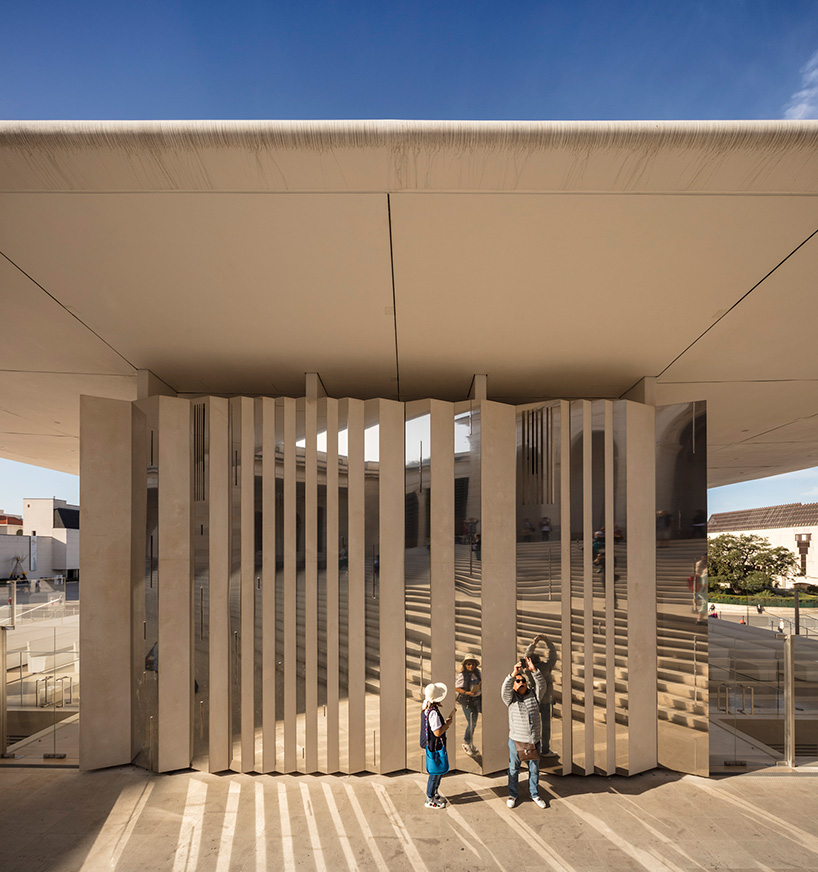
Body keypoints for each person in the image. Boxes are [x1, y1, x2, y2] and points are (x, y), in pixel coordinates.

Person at [502, 658, 547, 809]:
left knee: (534, 769)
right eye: (518, 681)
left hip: (533, 741)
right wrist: (513, 674)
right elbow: (504, 690)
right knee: (513, 769)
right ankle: (512, 795)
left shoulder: (534, 695)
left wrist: (534, 671)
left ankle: (534, 794)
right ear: (514, 685)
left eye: (523, 681)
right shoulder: (511, 699)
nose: (521, 683)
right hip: (517, 741)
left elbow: (542, 685)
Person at [523, 633, 557, 757]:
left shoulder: (527, 670)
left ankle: (531, 748)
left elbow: (526, 656)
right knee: (546, 725)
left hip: (532, 699)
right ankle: (545, 749)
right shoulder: (546, 667)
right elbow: (553, 655)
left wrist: (533, 644)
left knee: (532, 725)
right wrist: (547, 641)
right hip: (546, 700)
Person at [421, 682, 452, 809]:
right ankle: (430, 798)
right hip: (435, 746)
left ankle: (434, 793)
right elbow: (437, 732)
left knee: (437, 771)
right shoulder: (433, 712)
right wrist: (447, 725)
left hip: (432, 745)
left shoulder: (426, 707)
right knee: (435, 773)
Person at [455, 654, 482, 756]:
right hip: (468, 701)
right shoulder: (462, 675)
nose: (471, 666)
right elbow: (457, 688)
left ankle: (470, 742)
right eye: (469, 664)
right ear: (465, 665)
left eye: (473, 664)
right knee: (471, 723)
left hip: (477, 700)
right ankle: (466, 742)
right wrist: (467, 693)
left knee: (474, 723)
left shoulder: (478, 673)